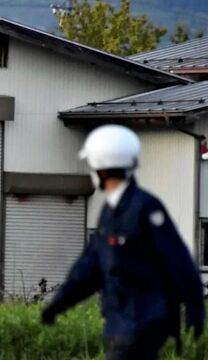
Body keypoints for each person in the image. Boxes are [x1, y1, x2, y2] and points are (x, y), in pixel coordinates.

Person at [41, 124, 205, 359]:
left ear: (102, 170)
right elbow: (90, 267)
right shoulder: (111, 212)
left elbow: (177, 259)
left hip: (143, 320)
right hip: (120, 322)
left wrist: (195, 308)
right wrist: (58, 304)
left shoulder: (145, 208)